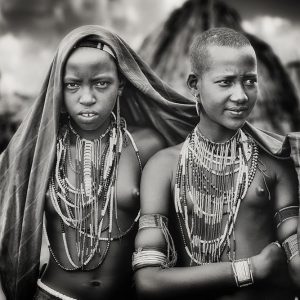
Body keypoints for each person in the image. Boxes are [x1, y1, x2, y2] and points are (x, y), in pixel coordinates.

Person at [0, 25, 198, 300]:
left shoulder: (148, 144)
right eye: (73, 85)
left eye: (101, 83)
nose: (87, 98)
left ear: (121, 85)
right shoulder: (38, 151)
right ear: (58, 89)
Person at [134, 27, 300, 300]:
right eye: (226, 82)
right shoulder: (163, 168)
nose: (241, 96)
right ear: (194, 85)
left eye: (249, 81)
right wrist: (252, 269)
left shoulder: (274, 165)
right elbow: (148, 282)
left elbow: (295, 262)